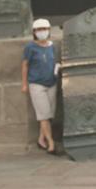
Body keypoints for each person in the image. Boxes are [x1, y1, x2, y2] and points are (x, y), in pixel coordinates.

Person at [21, 18, 60, 154]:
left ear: (48, 30)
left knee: (49, 114)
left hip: (51, 83)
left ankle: (41, 139)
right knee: (43, 114)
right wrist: (24, 84)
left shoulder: (52, 46)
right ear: (34, 32)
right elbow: (25, 65)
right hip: (37, 84)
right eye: (39, 29)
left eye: (44, 29)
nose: (42, 32)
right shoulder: (30, 47)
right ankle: (51, 142)